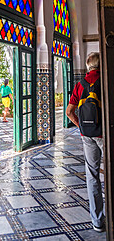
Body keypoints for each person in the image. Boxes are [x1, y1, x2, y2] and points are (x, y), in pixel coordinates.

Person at [66, 52, 104, 232]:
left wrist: (80, 126)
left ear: (88, 65)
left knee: (92, 175)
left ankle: (97, 221)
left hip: (87, 134)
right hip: (104, 134)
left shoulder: (80, 85)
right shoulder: (104, 81)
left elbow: (69, 111)